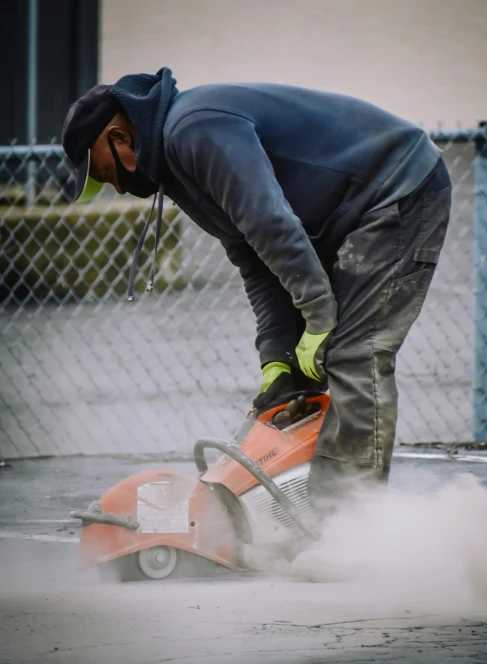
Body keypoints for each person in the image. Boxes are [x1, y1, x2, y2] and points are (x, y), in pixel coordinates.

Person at [61, 67, 451, 506]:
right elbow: (254, 258)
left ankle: (350, 526)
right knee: (305, 372)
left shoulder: (195, 130)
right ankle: (303, 511)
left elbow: (270, 222)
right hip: (344, 211)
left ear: (120, 138)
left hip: (395, 187)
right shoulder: (175, 166)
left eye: (103, 171)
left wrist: (319, 317)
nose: (113, 187)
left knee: (353, 352)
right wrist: (278, 358)